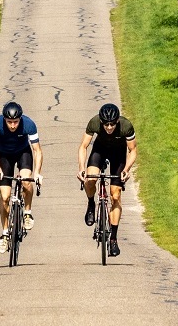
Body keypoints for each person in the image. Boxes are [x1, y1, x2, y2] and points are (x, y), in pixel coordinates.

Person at [76, 103, 136, 257]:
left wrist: (126, 170)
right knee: (90, 179)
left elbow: (132, 150)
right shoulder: (94, 122)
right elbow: (83, 146)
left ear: (117, 121)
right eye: (106, 124)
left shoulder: (126, 126)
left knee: (115, 195)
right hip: (99, 151)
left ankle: (114, 239)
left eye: (112, 124)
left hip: (118, 154)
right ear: (101, 122)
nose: (109, 127)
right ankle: (91, 203)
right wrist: (82, 168)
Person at [0, 101, 42, 252]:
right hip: (5, 156)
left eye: (15, 122)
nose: (12, 125)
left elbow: (37, 150)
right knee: (5, 197)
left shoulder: (29, 124)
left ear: (20, 119)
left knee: (26, 181)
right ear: (4, 119)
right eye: (9, 122)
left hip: (23, 152)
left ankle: (27, 212)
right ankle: (5, 233)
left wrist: (37, 172)